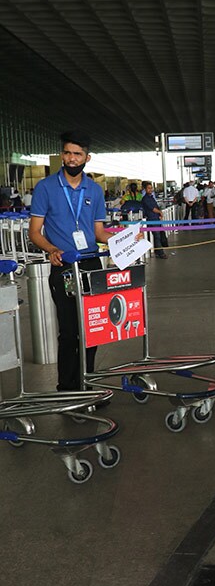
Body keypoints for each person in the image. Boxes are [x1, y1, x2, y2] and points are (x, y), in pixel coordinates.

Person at [28, 131, 110, 391]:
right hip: (62, 265)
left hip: (89, 265)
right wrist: (51, 249)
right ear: (62, 155)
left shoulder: (95, 190)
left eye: (77, 154)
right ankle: (67, 387)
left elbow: (99, 233)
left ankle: (88, 382)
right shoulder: (46, 187)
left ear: (87, 157)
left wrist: (127, 240)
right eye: (67, 153)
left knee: (93, 327)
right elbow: (34, 232)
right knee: (69, 330)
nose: (71, 158)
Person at [141, 181, 167, 259]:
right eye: (148, 188)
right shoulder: (145, 199)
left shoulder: (151, 197)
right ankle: (160, 253)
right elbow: (153, 208)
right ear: (145, 189)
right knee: (157, 236)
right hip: (152, 219)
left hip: (156, 218)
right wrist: (160, 212)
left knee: (159, 235)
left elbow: (156, 206)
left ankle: (157, 251)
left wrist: (159, 214)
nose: (150, 189)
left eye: (151, 188)